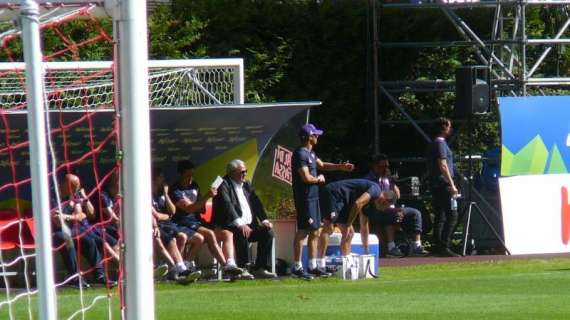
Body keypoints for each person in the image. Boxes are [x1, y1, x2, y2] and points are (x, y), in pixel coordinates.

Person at [291, 123, 354, 279]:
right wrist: (318, 179)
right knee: (303, 231)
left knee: (315, 231)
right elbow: (305, 177)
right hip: (304, 197)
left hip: (314, 197)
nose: (318, 137)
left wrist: (341, 166)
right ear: (309, 137)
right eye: (315, 134)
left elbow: (322, 165)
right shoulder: (300, 154)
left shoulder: (311, 153)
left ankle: (312, 266)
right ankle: (297, 267)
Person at [170, 160, 245, 277]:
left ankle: (231, 262)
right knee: (209, 234)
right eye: (187, 176)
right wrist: (205, 197)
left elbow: (201, 209)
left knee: (227, 234)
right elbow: (189, 209)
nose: (190, 179)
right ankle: (226, 267)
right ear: (181, 174)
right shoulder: (175, 190)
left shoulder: (194, 185)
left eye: (192, 175)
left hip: (198, 221)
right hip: (184, 223)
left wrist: (201, 202)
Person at [212, 159, 277, 279]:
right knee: (242, 232)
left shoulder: (246, 184)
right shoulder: (222, 183)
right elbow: (227, 205)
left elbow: (256, 202)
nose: (245, 174)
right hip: (230, 226)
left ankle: (260, 268)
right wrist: (240, 224)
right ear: (232, 172)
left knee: (268, 232)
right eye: (242, 172)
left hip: (249, 225)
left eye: (246, 171)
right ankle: (244, 269)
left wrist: (264, 220)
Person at [51, 174, 115, 288]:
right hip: (53, 231)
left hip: (71, 229)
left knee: (88, 239)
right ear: (66, 185)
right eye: (74, 185)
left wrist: (66, 216)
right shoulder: (52, 196)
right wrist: (71, 216)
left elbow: (81, 215)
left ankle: (99, 276)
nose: (77, 188)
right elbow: (57, 221)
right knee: (66, 239)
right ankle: (74, 277)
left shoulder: (73, 195)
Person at [362, 153, 428, 256]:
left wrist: (392, 183)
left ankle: (417, 245)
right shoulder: (368, 180)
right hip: (376, 209)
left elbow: (397, 196)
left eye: (387, 166)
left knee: (416, 213)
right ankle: (391, 247)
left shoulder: (387, 178)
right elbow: (373, 201)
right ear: (375, 166)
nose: (385, 169)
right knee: (391, 215)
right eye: (382, 166)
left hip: (392, 207)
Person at [319, 179, 394, 259]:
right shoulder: (376, 190)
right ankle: (320, 261)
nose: (384, 210)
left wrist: (366, 248)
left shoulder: (370, 203)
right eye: (386, 207)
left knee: (350, 233)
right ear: (384, 201)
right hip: (334, 193)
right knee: (328, 229)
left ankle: (346, 261)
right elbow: (358, 203)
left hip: (344, 201)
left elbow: (364, 225)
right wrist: (348, 224)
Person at [152, 168, 202, 283]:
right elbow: (158, 216)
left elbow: (172, 211)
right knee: (170, 240)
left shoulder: (161, 194)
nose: (163, 180)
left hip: (167, 225)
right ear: (155, 180)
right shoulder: (147, 195)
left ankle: (180, 269)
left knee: (181, 237)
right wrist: (166, 216)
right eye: (161, 178)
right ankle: (178, 269)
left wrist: (165, 193)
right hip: (158, 226)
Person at [427, 117, 460, 257]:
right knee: (452, 215)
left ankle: (438, 245)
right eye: (449, 126)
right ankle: (444, 245)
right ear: (444, 127)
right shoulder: (440, 144)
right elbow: (443, 165)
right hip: (443, 184)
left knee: (440, 215)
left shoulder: (435, 143)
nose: (450, 129)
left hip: (436, 183)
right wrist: (451, 184)